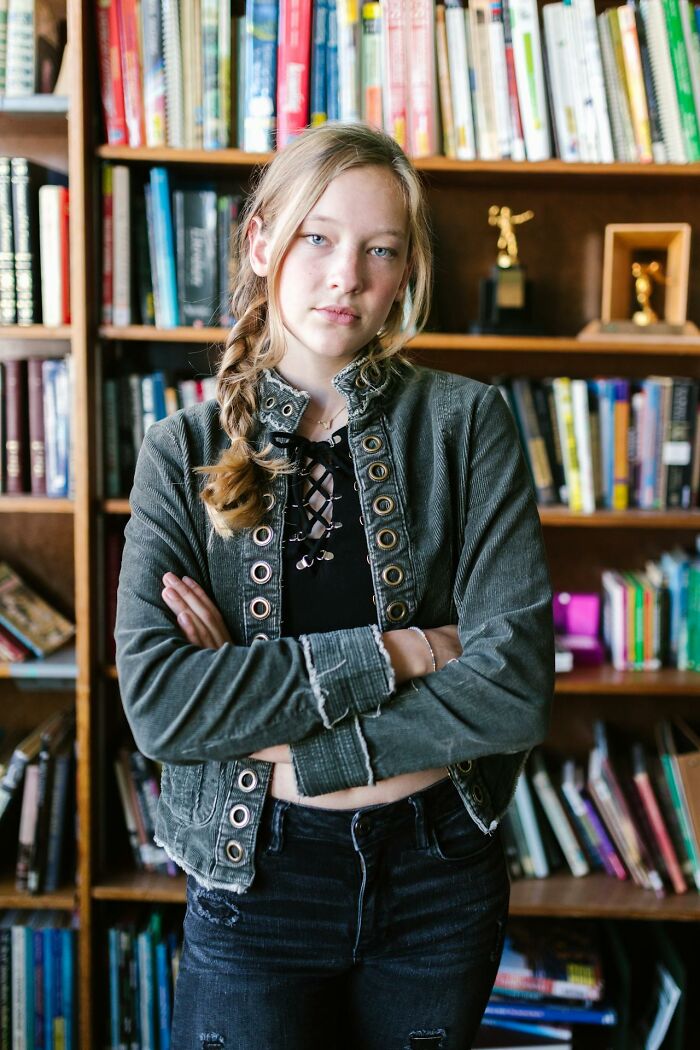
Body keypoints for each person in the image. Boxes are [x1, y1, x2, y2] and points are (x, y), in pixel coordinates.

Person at [115, 122, 554, 1050]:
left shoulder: (469, 426)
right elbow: (161, 708)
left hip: (439, 877)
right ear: (262, 239)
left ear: (404, 273)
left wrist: (274, 733)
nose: (345, 275)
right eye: (318, 236)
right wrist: (410, 649)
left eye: (378, 249)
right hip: (254, 883)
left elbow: (512, 689)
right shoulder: (180, 451)